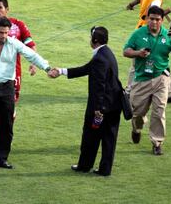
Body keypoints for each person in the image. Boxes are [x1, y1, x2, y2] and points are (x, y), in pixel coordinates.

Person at [0, 17, 50, 169]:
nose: (4, 36)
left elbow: (31, 55)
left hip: (7, 87)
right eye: (1, 33)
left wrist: (46, 67)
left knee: (7, 124)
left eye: (7, 33)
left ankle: (2, 158)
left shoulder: (13, 43)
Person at [49, 26, 122, 176]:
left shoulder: (100, 58)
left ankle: (84, 165)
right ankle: (104, 169)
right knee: (109, 138)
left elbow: (99, 86)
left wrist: (98, 109)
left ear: (94, 40)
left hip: (102, 107)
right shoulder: (106, 53)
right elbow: (86, 69)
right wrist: (62, 71)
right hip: (114, 104)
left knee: (90, 136)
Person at [123, 6, 171, 155]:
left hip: (161, 78)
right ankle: (137, 129)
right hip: (142, 79)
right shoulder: (138, 34)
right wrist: (138, 53)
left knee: (159, 111)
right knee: (138, 112)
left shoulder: (169, 35)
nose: (154, 22)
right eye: (152, 19)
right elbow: (126, 51)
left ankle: (157, 142)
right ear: (147, 19)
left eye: (157, 19)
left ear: (162, 20)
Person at [0, 0, 37, 136]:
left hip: (12, 75)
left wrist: (33, 63)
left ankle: (1, 137)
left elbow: (30, 45)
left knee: (8, 110)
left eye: (0, 8)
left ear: (7, 9)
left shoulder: (18, 26)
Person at [126, 0, 171, 103]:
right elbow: (153, 13)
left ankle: (169, 91)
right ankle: (129, 90)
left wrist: (131, 4)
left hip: (141, 29)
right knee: (149, 60)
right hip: (149, 32)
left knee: (157, 59)